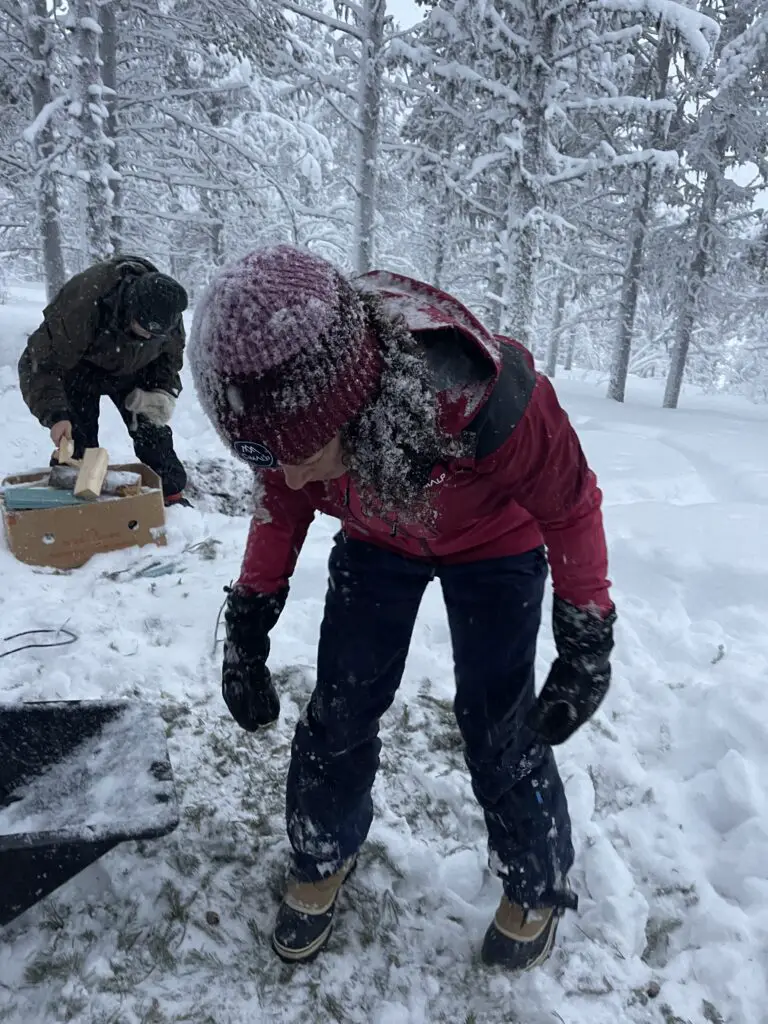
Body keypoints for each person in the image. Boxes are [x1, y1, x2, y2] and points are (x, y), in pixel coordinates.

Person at [188, 246, 616, 971]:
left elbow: (571, 505)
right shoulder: (295, 418)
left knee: (499, 720)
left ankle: (536, 882)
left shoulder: (488, 401)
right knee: (341, 704)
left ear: (354, 407)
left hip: (494, 547)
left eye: (301, 453)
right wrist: (251, 615)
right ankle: (322, 853)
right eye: (269, 457)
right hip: (377, 539)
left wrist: (585, 635)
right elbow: (280, 498)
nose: (289, 474)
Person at [19, 255, 191, 506]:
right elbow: (40, 363)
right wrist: (55, 415)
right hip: (79, 368)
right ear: (130, 307)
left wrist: (160, 393)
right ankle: (73, 501)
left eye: (152, 335)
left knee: (152, 430)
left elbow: (169, 361)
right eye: (141, 329)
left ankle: (172, 496)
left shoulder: (169, 316)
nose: (146, 336)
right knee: (78, 443)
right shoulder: (83, 302)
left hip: (135, 368)